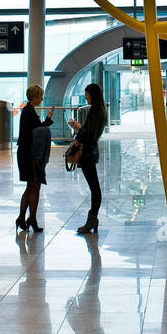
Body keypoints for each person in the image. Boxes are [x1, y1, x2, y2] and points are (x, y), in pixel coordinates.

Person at [69, 82, 107, 235]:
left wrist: (77, 127)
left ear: (93, 95)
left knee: (94, 187)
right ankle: (92, 219)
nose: (86, 98)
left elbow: (89, 134)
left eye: (87, 95)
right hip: (91, 151)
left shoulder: (95, 110)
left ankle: (92, 219)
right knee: (94, 186)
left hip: (88, 152)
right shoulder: (101, 109)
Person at [16, 84, 53, 232]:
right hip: (30, 154)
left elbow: (35, 129)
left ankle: (22, 218)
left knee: (30, 186)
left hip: (26, 153)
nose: (42, 98)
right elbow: (36, 132)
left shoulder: (27, 110)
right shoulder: (29, 111)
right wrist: (47, 122)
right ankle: (31, 219)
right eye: (40, 96)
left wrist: (48, 119)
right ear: (35, 96)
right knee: (35, 186)